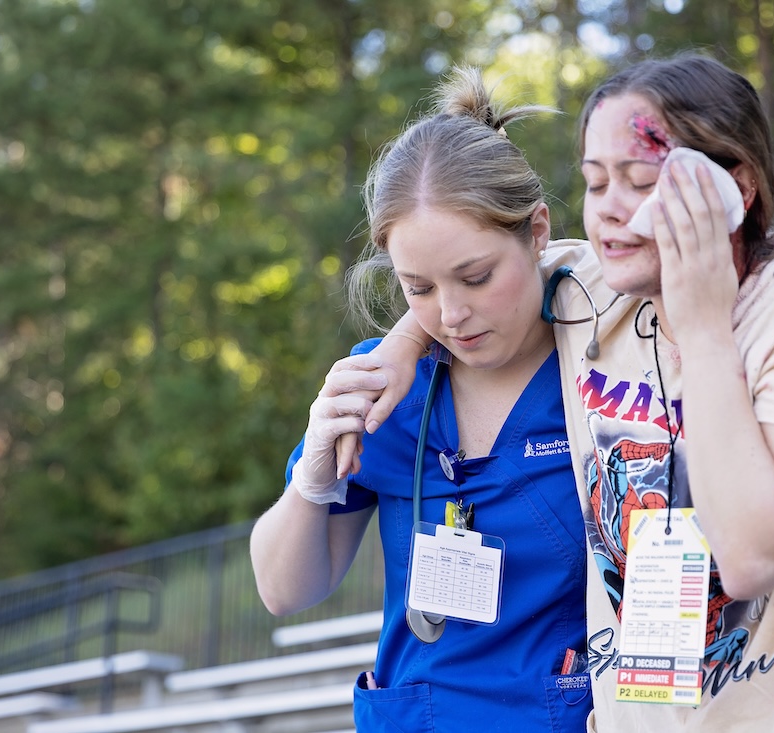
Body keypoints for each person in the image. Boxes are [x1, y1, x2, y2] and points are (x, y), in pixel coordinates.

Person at [359, 56, 774, 731]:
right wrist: (401, 345)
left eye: (643, 180)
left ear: (735, 186)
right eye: (595, 184)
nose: (611, 211)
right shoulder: (594, 296)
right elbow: (470, 265)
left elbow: (748, 557)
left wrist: (704, 324)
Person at [250, 67, 593, 732]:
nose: (453, 314)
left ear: (538, 230)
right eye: (419, 288)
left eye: (476, 276)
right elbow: (283, 590)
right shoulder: (381, 389)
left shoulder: (604, 365)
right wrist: (312, 480)